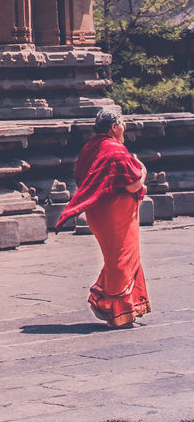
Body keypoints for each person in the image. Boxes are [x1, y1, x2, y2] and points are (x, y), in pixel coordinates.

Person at [55, 106, 150, 328]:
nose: (124, 127)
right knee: (121, 258)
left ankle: (126, 307)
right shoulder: (116, 151)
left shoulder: (90, 148)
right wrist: (143, 171)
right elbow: (134, 183)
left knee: (117, 257)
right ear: (115, 127)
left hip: (98, 212)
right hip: (116, 214)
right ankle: (117, 310)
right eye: (122, 124)